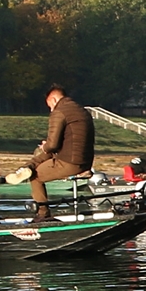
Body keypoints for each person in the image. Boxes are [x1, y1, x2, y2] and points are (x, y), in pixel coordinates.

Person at [20, 86, 95, 218]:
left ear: (54, 100)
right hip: (86, 162)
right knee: (44, 156)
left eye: (50, 106)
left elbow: (53, 144)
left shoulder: (59, 112)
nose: (51, 109)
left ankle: (43, 214)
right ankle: (28, 165)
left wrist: (45, 146)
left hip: (70, 162)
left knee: (35, 176)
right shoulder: (82, 111)